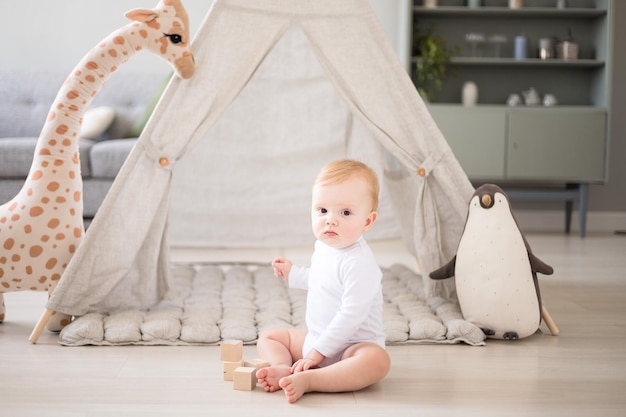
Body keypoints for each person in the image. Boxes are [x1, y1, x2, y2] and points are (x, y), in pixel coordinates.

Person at [256, 159, 391, 403]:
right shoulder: (325, 247)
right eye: (322, 210)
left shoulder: (360, 263)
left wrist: (319, 352)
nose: (330, 220)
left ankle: (311, 380)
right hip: (316, 338)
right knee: (270, 336)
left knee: (377, 361)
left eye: (345, 212)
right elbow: (320, 280)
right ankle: (285, 369)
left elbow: (351, 314)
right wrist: (294, 273)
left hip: (352, 346)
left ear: (368, 221)